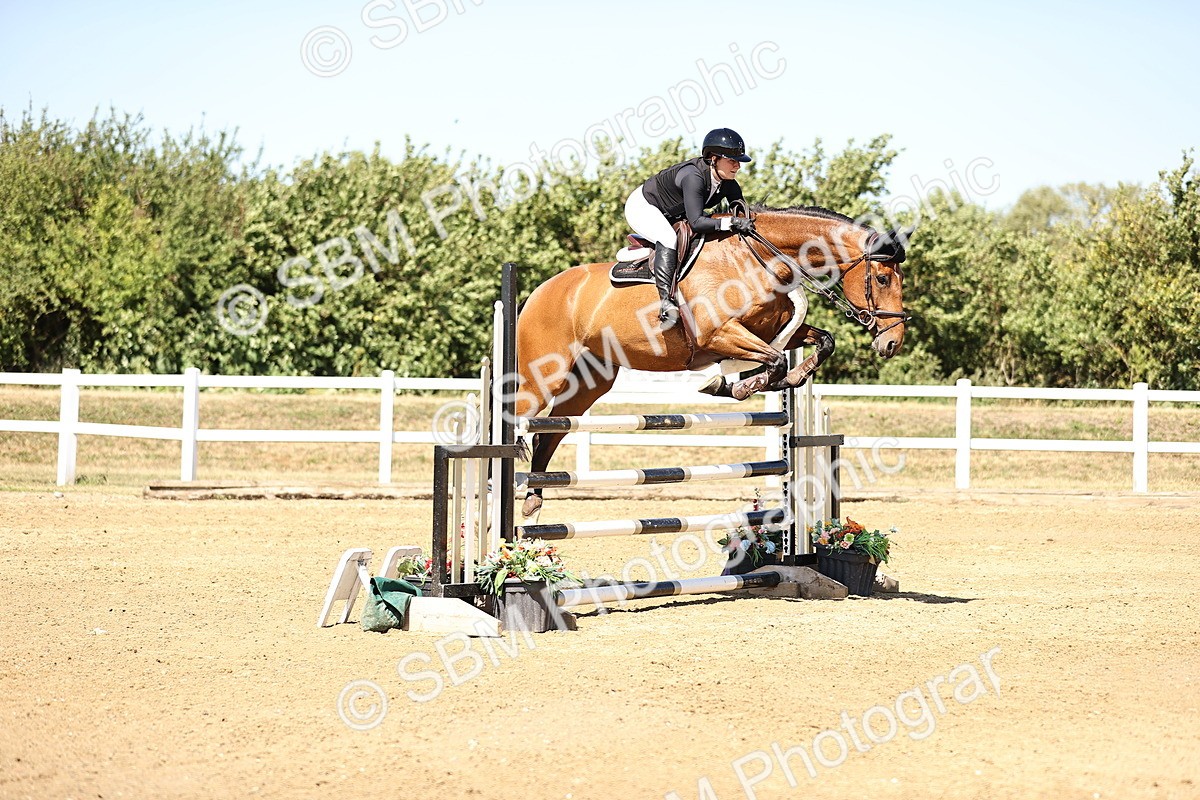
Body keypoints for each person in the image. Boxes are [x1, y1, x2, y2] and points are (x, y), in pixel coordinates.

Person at [624, 127, 756, 330]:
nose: (737, 166)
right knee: (668, 238)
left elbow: (741, 212)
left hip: (672, 212)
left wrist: (745, 222)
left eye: (738, 161)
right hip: (644, 206)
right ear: (713, 158)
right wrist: (730, 223)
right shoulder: (693, 176)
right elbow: (697, 222)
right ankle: (666, 303)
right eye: (732, 160)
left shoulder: (728, 182)